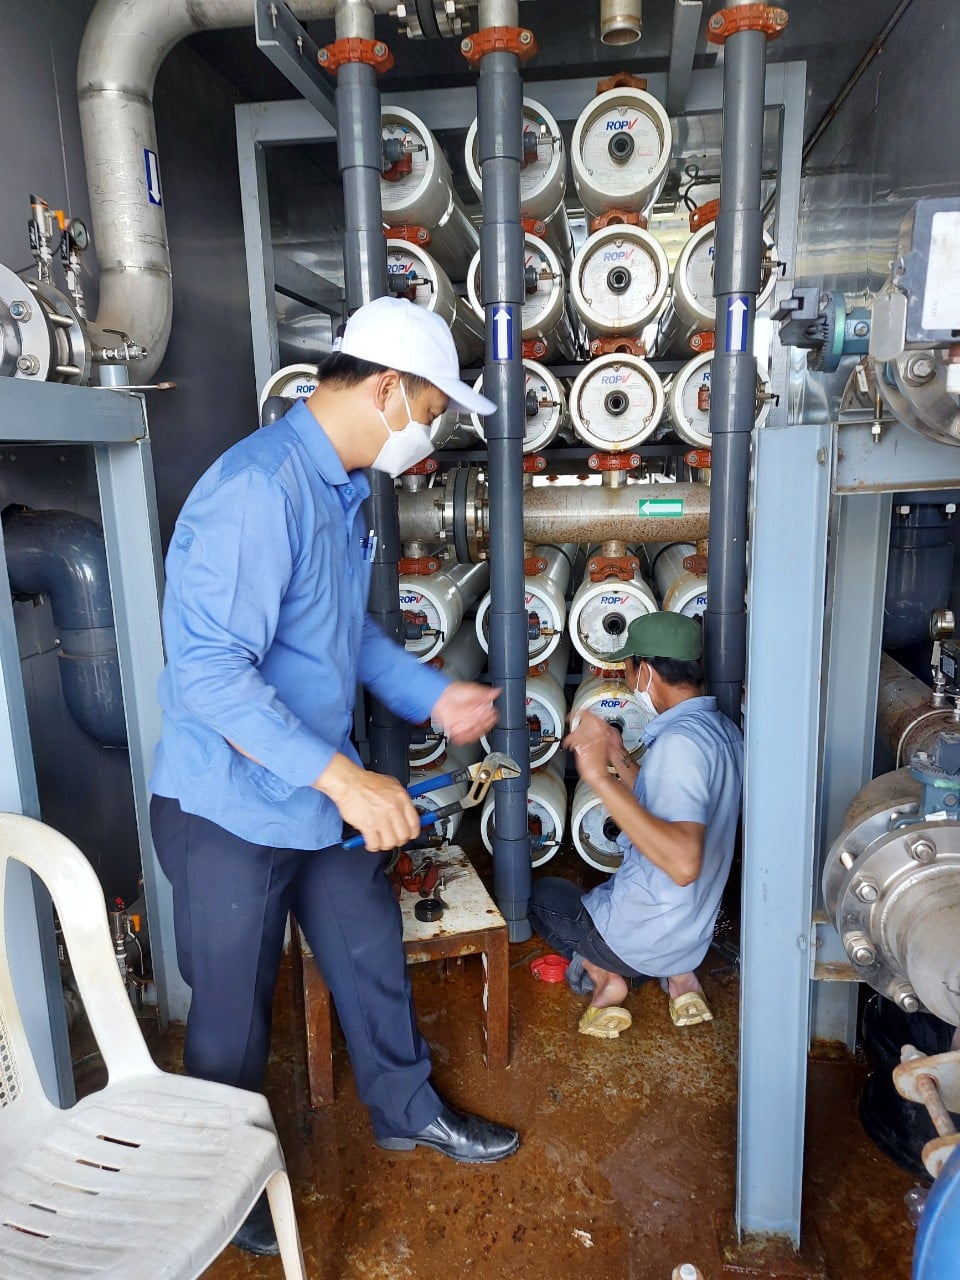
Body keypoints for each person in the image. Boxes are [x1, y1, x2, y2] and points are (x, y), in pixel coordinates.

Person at [149, 296, 520, 1257]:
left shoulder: (337, 489)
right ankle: (222, 1190)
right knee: (231, 1017)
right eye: (429, 411)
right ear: (387, 388)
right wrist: (345, 780)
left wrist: (433, 695)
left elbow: (339, 634)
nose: (428, 436)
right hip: (229, 806)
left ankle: (407, 1109)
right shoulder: (258, 490)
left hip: (312, 794)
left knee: (366, 947)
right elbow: (209, 674)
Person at [528, 612, 743, 1040]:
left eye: (628, 670)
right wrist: (617, 754)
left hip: (638, 937)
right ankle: (681, 981)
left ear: (645, 671)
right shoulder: (721, 732)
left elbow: (683, 863)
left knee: (544, 897)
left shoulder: (678, 746)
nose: (629, 681)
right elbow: (670, 800)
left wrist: (597, 777)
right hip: (691, 939)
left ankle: (607, 978)